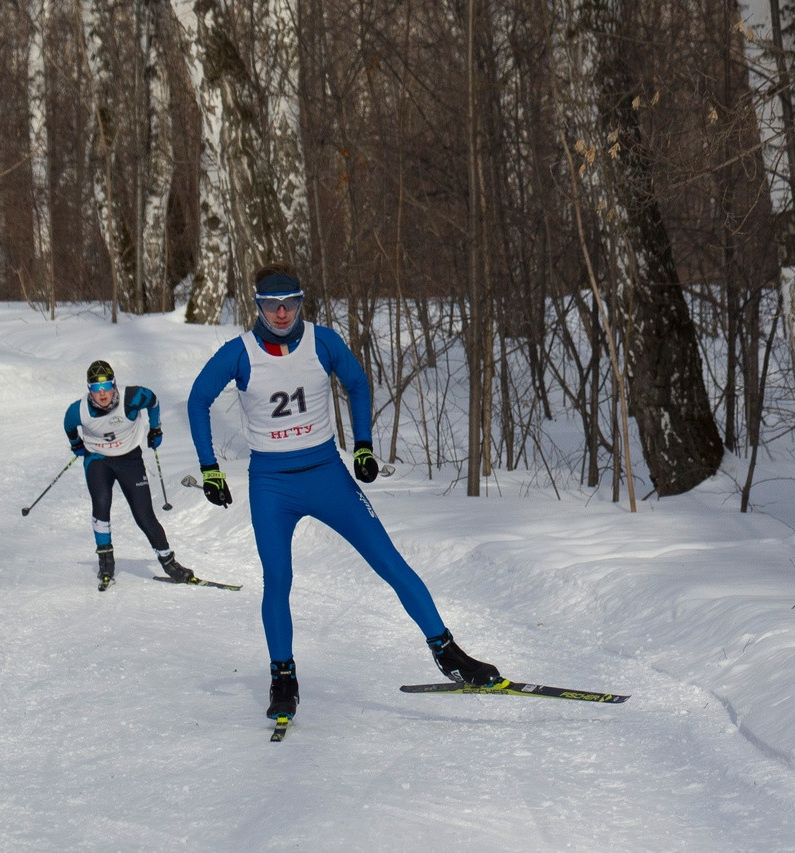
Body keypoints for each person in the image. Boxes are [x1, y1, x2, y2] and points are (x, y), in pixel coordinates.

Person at [186, 262, 501, 721]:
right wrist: (210, 468)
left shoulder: (323, 341)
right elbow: (197, 399)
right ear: (258, 305)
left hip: (327, 475)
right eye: (272, 305)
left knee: (389, 560)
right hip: (271, 485)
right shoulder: (239, 353)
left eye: (290, 304)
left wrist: (364, 447)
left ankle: (449, 653)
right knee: (278, 581)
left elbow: (356, 382)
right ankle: (283, 677)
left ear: (301, 302)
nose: (281, 314)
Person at [64, 360, 193, 590]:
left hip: (129, 459)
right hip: (98, 460)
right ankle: (106, 563)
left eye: (106, 386)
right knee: (101, 504)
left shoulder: (132, 397)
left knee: (144, 515)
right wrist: (77, 446)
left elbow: (153, 400)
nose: (102, 394)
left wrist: (156, 428)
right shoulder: (79, 410)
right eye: (95, 388)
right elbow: (69, 426)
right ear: (89, 389)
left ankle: (169, 562)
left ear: (114, 384)